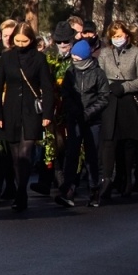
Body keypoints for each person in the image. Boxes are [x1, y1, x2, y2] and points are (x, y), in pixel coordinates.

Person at [0, 23, 54, 214]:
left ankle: (21, 192)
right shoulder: (6, 58)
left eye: (24, 41)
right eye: (17, 41)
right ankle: (20, 189)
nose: (20, 44)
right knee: (15, 155)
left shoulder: (40, 59)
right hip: (9, 110)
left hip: (31, 110)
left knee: (25, 153)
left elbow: (48, 88)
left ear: (31, 40)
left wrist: (47, 114)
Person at [97, 21, 138, 202]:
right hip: (110, 99)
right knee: (109, 141)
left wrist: (126, 87)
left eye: (120, 35)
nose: (117, 39)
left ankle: (127, 179)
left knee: (128, 143)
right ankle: (108, 181)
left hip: (128, 100)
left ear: (127, 35)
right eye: (114, 36)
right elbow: (100, 76)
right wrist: (110, 87)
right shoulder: (104, 53)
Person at [56, 39, 108, 206]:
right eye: (73, 58)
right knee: (72, 154)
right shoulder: (71, 72)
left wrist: (88, 113)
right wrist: (74, 111)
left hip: (92, 121)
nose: (75, 61)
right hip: (75, 119)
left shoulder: (98, 74)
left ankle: (94, 190)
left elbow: (104, 97)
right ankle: (68, 189)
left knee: (93, 155)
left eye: (78, 58)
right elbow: (66, 93)